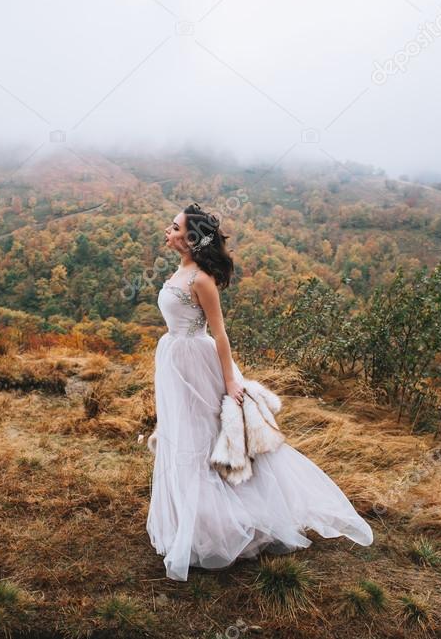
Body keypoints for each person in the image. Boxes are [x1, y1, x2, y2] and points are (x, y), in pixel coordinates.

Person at [146, 202, 374, 581]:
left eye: (173, 228)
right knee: (182, 434)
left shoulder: (201, 279)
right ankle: (194, 523)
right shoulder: (181, 269)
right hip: (174, 360)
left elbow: (218, 333)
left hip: (197, 363)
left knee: (205, 437)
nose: (166, 231)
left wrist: (232, 381)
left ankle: (223, 526)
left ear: (189, 240)